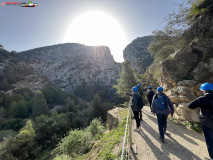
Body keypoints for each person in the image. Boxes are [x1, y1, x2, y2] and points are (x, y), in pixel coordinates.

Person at [188, 83, 213, 159]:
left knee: (210, 140)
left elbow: (190, 105)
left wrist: (200, 101)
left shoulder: (202, 98)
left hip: (207, 123)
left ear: (204, 91)